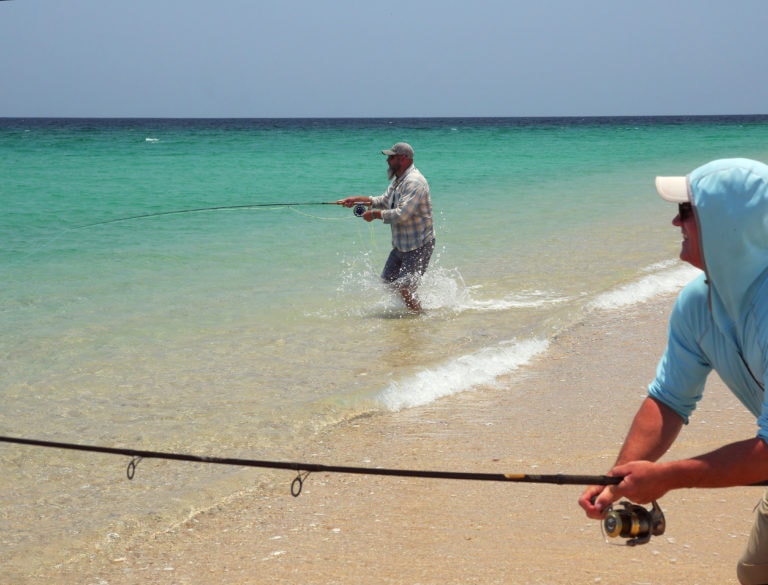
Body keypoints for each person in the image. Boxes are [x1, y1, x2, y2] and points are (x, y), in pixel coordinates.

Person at [578, 158, 768, 585]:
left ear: (725, 223)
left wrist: (668, 477)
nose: (673, 221)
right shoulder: (696, 305)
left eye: (685, 211)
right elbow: (667, 400)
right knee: (756, 572)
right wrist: (616, 481)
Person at [337, 142, 435, 312]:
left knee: (405, 289)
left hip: (418, 245)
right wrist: (356, 200)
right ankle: (410, 311)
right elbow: (382, 201)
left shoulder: (414, 182)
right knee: (388, 281)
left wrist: (375, 215)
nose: (388, 160)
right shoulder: (399, 181)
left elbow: (402, 213)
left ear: (403, 159)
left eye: (391, 157)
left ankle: (420, 317)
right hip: (401, 245)